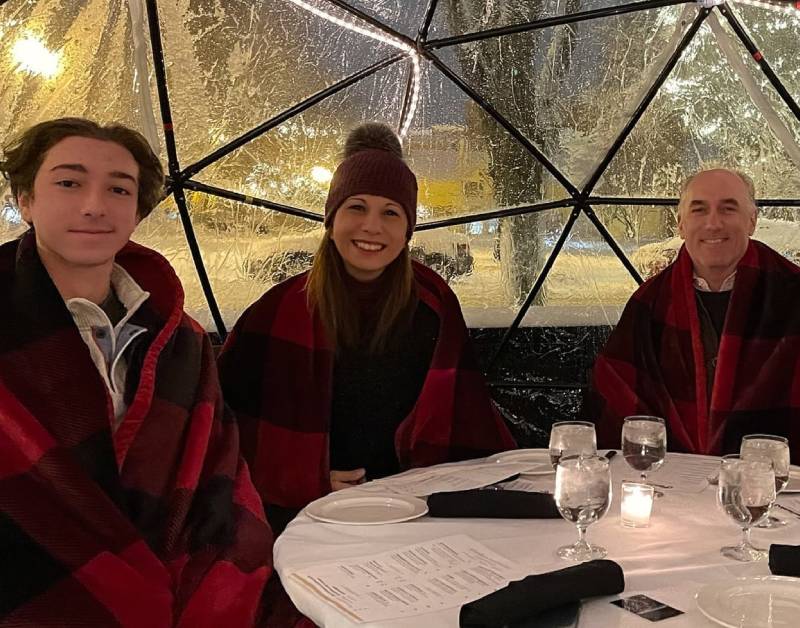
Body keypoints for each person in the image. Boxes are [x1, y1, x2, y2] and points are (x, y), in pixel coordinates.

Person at [0, 117, 271, 625]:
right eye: (68, 182)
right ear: (25, 199)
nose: (94, 205)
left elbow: (219, 474)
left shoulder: (181, 340)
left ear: (137, 211)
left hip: (182, 585)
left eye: (118, 189)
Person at [219, 122, 515, 535]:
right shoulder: (279, 310)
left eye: (390, 212)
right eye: (356, 207)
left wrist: (420, 488)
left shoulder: (433, 305)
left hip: (415, 508)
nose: (372, 227)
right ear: (331, 217)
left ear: (408, 228)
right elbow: (230, 431)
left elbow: (461, 417)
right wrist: (308, 480)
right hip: (304, 515)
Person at [586, 168, 800, 472]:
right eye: (699, 209)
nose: (713, 223)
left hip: (781, 488)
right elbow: (616, 396)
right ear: (680, 224)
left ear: (752, 221)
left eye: (728, 209)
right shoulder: (647, 304)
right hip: (671, 487)